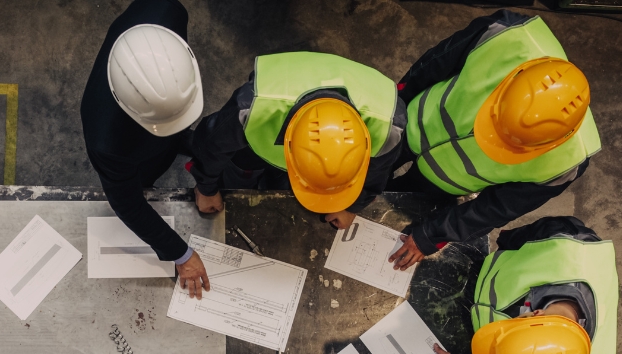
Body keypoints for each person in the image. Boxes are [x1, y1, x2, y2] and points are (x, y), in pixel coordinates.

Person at [386, 10, 602, 272]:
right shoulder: (506, 36)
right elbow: (433, 64)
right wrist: (394, 111)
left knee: (395, 204)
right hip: (414, 120)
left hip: (444, 180)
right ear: (508, 83)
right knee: (375, 164)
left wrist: (430, 236)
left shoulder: (566, 163)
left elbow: (494, 209)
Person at [410, 217, 618, 354]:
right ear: (535, 313)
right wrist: (506, 242)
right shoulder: (568, 242)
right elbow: (521, 236)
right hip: (477, 271)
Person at [80, 0, 210, 298]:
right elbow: (128, 205)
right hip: (130, 146)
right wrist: (182, 254)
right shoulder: (108, 141)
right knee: (143, 179)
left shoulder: (168, 11)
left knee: (175, 138)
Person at [188, 51, 407, 227]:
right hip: (253, 149)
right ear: (287, 144)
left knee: (283, 190)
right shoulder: (252, 109)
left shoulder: (389, 125)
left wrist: (351, 206)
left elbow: (377, 172)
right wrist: (207, 188)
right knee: (238, 181)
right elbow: (211, 144)